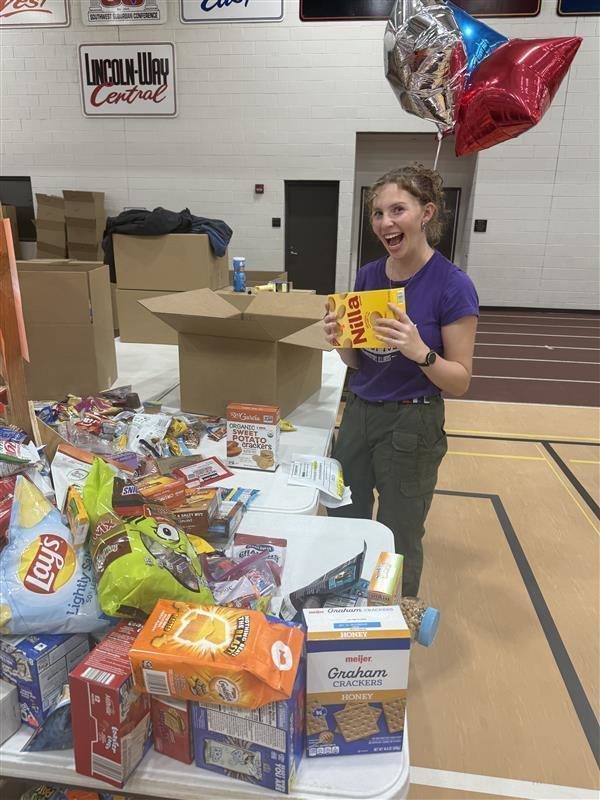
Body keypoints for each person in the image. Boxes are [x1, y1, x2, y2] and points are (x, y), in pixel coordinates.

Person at [324, 164, 479, 597]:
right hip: (358, 414)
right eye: (378, 213)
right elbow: (359, 363)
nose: (385, 223)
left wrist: (420, 351)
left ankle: (392, 620)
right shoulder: (369, 276)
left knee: (398, 535)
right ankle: (343, 605)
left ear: (426, 213)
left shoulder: (453, 286)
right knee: (344, 517)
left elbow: (460, 380)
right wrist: (339, 341)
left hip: (412, 425)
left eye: (397, 210)